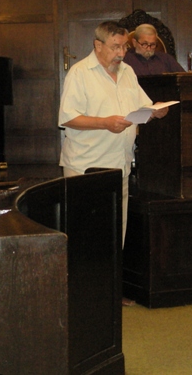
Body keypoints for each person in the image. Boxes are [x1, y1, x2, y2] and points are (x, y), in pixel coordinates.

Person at [59, 21, 166, 251]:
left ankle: (113, 276)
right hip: (86, 168)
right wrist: (104, 123)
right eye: (115, 47)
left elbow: (140, 112)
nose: (121, 53)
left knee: (116, 239)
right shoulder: (80, 73)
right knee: (87, 240)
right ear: (98, 45)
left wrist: (155, 112)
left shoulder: (127, 72)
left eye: (125, 47)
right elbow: (67, 118)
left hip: (120, 167)